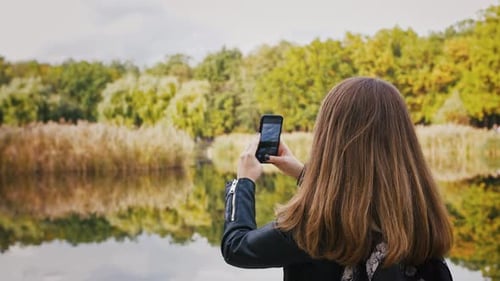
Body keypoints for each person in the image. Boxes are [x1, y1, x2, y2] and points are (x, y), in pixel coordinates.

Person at [221, 77, 454, 281]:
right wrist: (304, 174)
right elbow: (357, 194)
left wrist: (242, 183)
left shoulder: (316, 226)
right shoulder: (418, 213)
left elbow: (237, 247)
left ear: (329, 141)